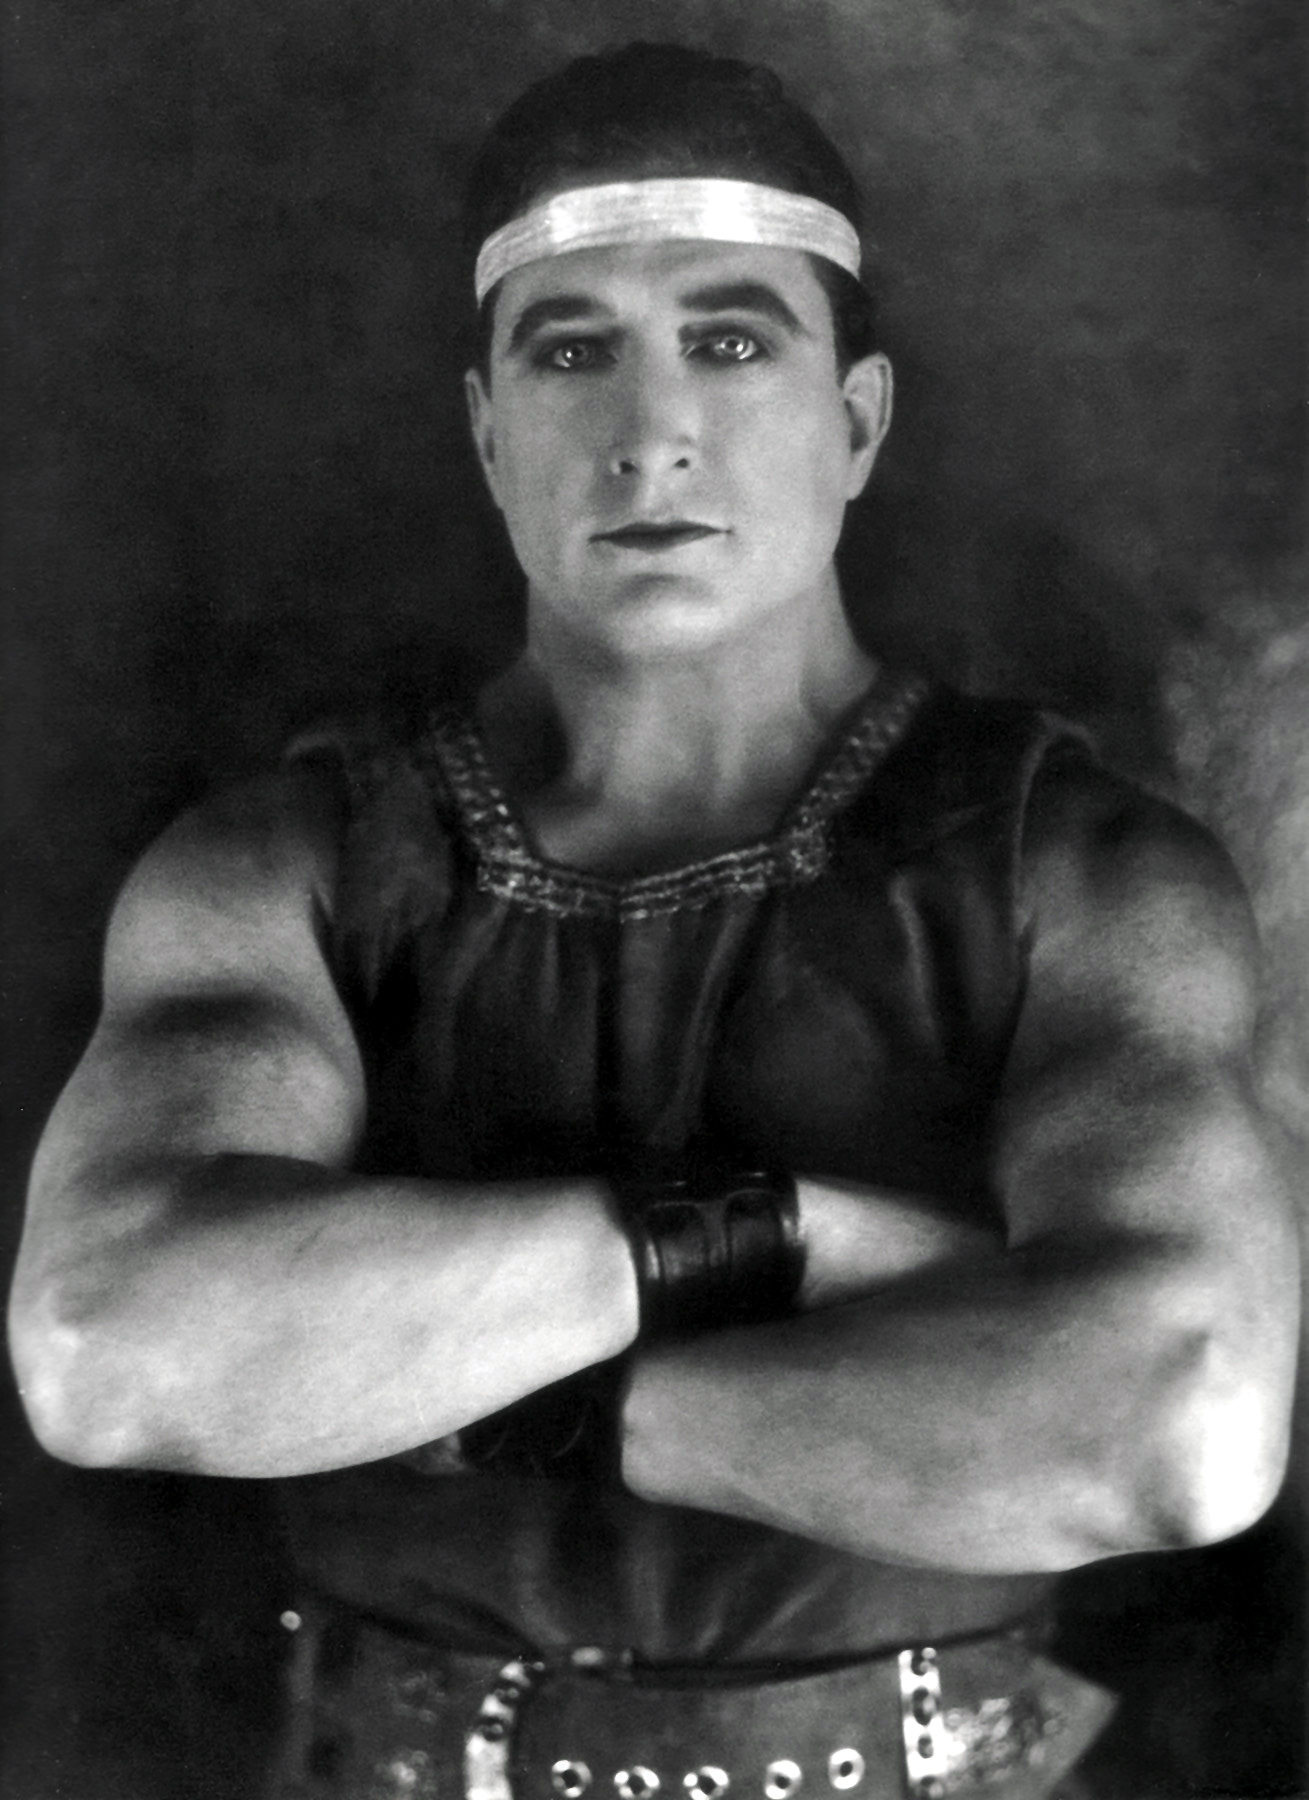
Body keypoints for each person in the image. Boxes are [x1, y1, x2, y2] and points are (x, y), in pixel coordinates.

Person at [8, 40, 1300, 1800]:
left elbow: (1177, 1424)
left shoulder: (1077, 872)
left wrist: (497, 1391)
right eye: (570, 350)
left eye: (731, 339)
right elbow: (111, 1349)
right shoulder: (283, 865)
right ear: (487, 429)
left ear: (858, 419)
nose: (649, 430)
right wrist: (759, 1240)